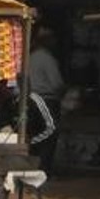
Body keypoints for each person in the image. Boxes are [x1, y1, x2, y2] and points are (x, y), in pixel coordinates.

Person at [27, 27, 65, 173]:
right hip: (46, 99)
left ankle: (33, 165)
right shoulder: (47, 59)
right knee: (50, 134)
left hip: (32, 99)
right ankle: (43, 168)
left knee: (36, 133)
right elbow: (57, 83)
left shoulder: (31, 57)